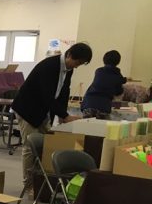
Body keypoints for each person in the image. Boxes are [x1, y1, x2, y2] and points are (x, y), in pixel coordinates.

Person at [12, 42, 93, 194]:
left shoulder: (68, 69)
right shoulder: (49, 66)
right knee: (30, 147)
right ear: (69, 55)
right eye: (77, 62)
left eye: (81, 64)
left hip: (43, 110)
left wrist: (63, 115)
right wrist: (65, 116)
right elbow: (46, 95)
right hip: (27, 109)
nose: (77, 66)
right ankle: (29, 185)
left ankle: (41, 183)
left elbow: (64, 92)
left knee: (47, 145)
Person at [80, 50, 127, 119]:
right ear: (118, 62)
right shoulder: (117, 75)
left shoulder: (98, 71)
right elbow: (118, 91)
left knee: (87, 124)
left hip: (88, 103)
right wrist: (123, 81)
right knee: (101, 125)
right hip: (103, 105)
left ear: (104, 60)